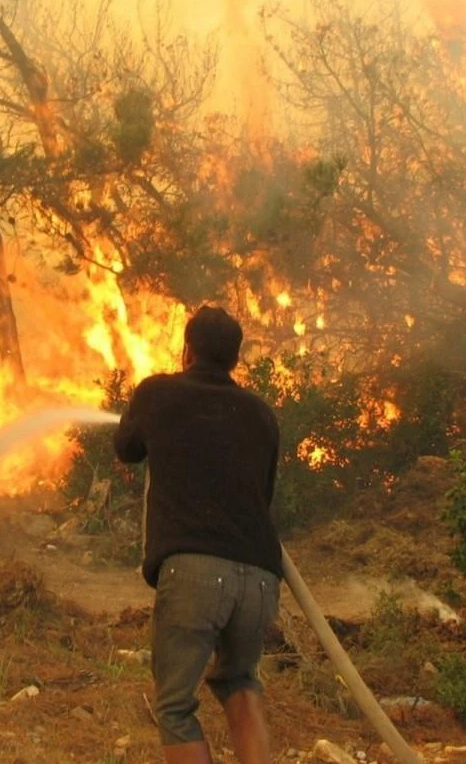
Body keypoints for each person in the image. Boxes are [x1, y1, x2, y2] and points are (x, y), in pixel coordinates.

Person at [114, 305, 283, 764]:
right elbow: (263, 495)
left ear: (187, 350)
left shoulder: (158, 393)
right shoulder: (262, 414)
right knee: (241, 683)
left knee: (175, 706)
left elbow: (126, 449)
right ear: (235, 358)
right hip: (262, 578)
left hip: (194, 573)